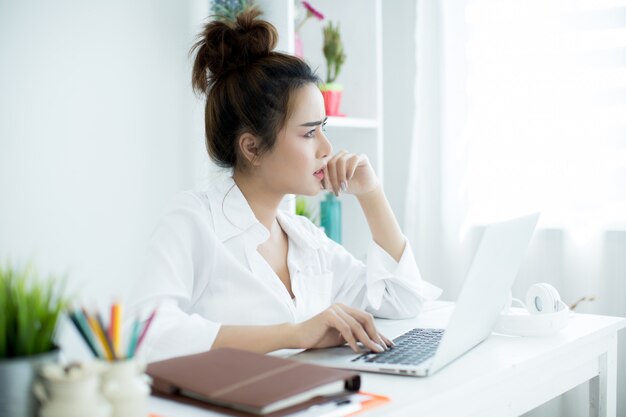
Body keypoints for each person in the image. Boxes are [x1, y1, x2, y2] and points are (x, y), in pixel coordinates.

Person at [129, 8, 440, 363]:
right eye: (309, 133)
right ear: (252, 148)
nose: (326, 148)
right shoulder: (194, 221)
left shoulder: (306, 239)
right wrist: (293, 334)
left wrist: (371, 194)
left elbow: (402, 299)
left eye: (324, 128)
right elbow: (145, 333)